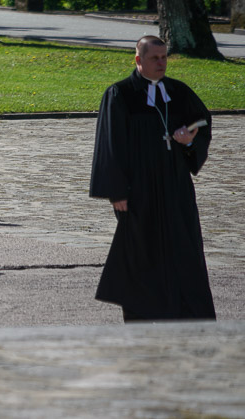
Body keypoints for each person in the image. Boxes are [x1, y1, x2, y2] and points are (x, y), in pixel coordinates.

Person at [90, 35, 215, 322]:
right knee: (141, 251)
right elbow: (110, 144)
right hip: (139, 188)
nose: (161, 63)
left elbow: (203, 124)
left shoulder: (179, 92)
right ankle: (144, 316)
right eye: (154, 58)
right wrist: (116, 191)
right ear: (138, 60)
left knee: (184, 248)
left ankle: (189, 315)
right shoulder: (120, 94)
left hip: (174, 183)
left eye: (164, 57)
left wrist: (188, 141)